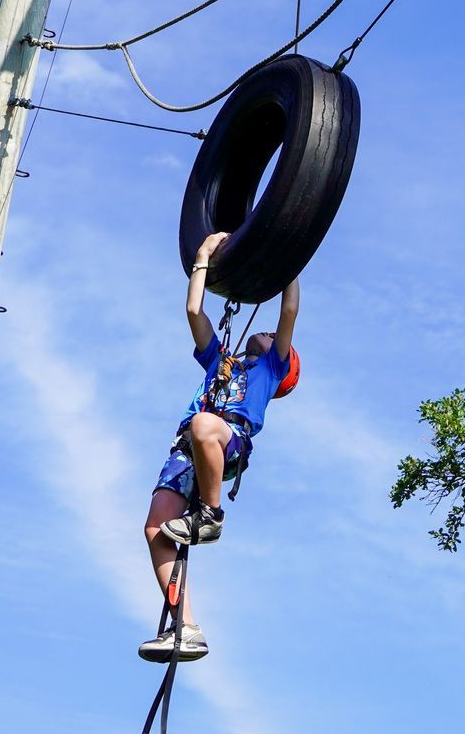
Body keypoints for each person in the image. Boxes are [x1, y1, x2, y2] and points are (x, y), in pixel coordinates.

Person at [139, 231, 301, 663]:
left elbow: (288, 309)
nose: (266, 332)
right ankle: (185, 627)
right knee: (155, 528)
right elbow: (195, 310)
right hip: (187, 449)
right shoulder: (221, 362)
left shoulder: (270, 368)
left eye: (272, 335)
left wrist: (291, 255)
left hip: (226, 440)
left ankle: (210, 516)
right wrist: (203, 257)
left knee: (205, 424)